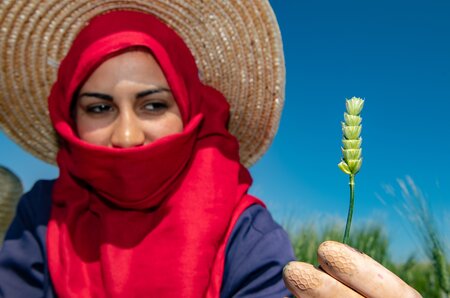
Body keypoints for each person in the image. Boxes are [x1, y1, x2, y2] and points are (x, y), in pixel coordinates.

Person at [0, 1, 421, 298]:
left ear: (191, 112)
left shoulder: (246, 234)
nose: (126, 136)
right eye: (99, 107)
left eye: (153, 104)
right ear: (68, 120)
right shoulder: (40, 216)